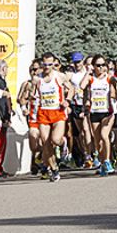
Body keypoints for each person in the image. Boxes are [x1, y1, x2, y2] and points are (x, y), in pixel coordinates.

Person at [34, 52, 73, 181]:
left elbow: (71, 88)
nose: (47, 67)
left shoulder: (59, 76)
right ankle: (54, 169)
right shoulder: (37, 78)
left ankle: (63, 143)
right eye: (44, 64)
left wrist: (67, 100)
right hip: (44, 112)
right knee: (45, 141)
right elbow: (33, 94)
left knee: (55, 140)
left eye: (50, 64)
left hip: (58, 111)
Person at [80, 55, 117, 176]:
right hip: (95, 112)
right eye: (98, 65)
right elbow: (81, 86)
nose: (101, 68)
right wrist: (88, 72)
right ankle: (102, 163)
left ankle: (107, 161)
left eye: (103, 65)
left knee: (104, 135)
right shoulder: (91, 78)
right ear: (93, 66)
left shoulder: (109, 78)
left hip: (108, 111)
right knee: (98, 141)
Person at [17, 60, 43, 175]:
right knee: (34, 141)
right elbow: (20, 99)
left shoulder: (45, 83)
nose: (33, 72)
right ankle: (37, 158)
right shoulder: (27, 84)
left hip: (45, 116)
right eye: (31, 69)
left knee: (43, 140)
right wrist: (24, 108)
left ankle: (40, 163)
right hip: (32, 115)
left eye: (36, 69)